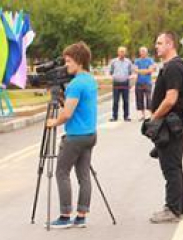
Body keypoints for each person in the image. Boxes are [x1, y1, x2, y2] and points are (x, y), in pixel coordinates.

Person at [45, 42, 98, 229]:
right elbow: (75, 107)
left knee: (61, 172)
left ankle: (65, 216)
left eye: (68, 61)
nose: (66, 65)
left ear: (79, 61)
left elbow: (67, 114)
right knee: (83, 175)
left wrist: (53, 122)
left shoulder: (76, 84)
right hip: (90, 134)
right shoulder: (90, 80)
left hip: (75, 136)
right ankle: (81, 216)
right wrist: (62, 97)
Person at [149, 31, 183, 224]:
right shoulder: (174, 65)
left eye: (159, 43)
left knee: (170, 167)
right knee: (175, 165)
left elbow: (171, 98)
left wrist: (154, 118)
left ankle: (172, 208)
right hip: (174, 123)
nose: (156, 46)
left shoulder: (173, 67)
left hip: (171, 123)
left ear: (170, 44)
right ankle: (179, 206)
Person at [109, 46, 133, 122]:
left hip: (125, 83)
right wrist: (115, 76)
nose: (122, 53)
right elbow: (111, 71)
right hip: (116, 83)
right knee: (115, 101)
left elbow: (130, 72)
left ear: (125, 53)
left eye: (123, 51)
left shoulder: (128, 62)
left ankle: (126, 116)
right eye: (120, 51)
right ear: (118, 52)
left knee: (126, 100)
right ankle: (114, 116)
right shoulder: (113, 61)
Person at [133, 47, 155, 121]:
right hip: (139, 82)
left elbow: (150, 70)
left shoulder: (150, 60)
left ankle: (151, 114)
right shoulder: (137, 61)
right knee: (139, 99)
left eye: (144, 51)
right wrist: (145, 70)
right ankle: (142, 115)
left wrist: (140, 71)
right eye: (141, 51)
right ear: (140, 53)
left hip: (147, 82)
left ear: (147, 52)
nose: (142, 53)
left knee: (149, 98)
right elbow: (135, 70)